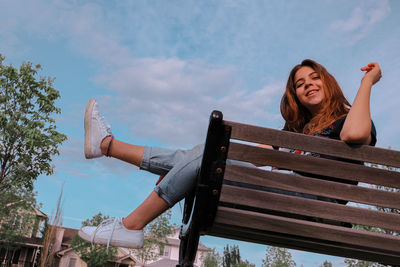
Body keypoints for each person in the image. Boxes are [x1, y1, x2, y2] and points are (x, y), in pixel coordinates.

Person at [78, 59, 381, 249]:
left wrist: (366, 83)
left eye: (314, 78)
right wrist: (185, 166)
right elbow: (255, 156)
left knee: (209, 158)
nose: (308, 85)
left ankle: (130, 222)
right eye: (300, 84)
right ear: (296, 96)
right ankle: (106, 146)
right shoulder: (296, 134)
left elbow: (354, 135)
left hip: (314, 209)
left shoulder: (349, 121)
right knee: (204, 154)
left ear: (327, 81)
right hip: (281, 197)